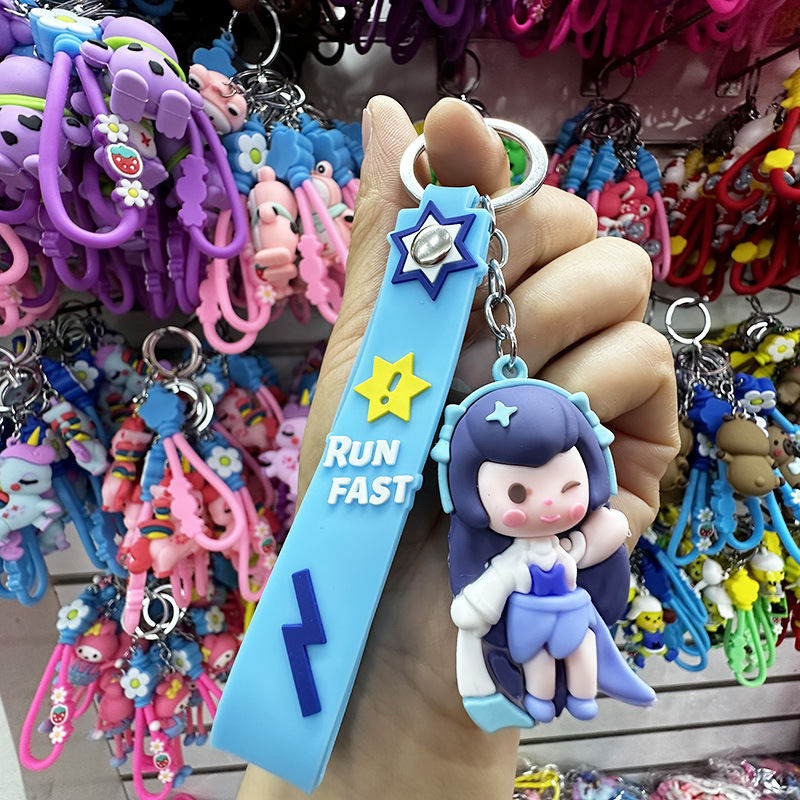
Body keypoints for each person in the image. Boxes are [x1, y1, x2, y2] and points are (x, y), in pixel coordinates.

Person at [237, 96, 679, 800]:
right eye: (517, 492)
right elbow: (484, 595)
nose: (547, 504)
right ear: (463, 490)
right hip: (461, 624)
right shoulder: (469, 527)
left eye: (566, 485)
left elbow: (597, 538)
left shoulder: (562, 527)